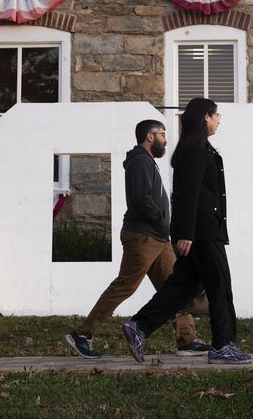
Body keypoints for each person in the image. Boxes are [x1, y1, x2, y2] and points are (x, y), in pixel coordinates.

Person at [65, 119, 209, 359]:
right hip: (144, 237)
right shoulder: (140, 161)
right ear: (150, 136)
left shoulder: (147, 161)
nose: (166, 140)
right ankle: (82, 333)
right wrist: (161, 219)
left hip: (159, 238)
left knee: (177, 287)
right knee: (125, 286)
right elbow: (142, 199)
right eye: (162, 134)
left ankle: (187, 340)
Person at [122, 98, 251, 365]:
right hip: (202, 233)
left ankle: (139, 326)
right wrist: (186, 234)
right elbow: (186, 195)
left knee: (183, 287)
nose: (218, 120)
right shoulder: (195, 151)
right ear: (205, 117)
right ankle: (222, 346)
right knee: (219, 286)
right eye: (216, 115)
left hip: (202, 230)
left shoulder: (198, 148)